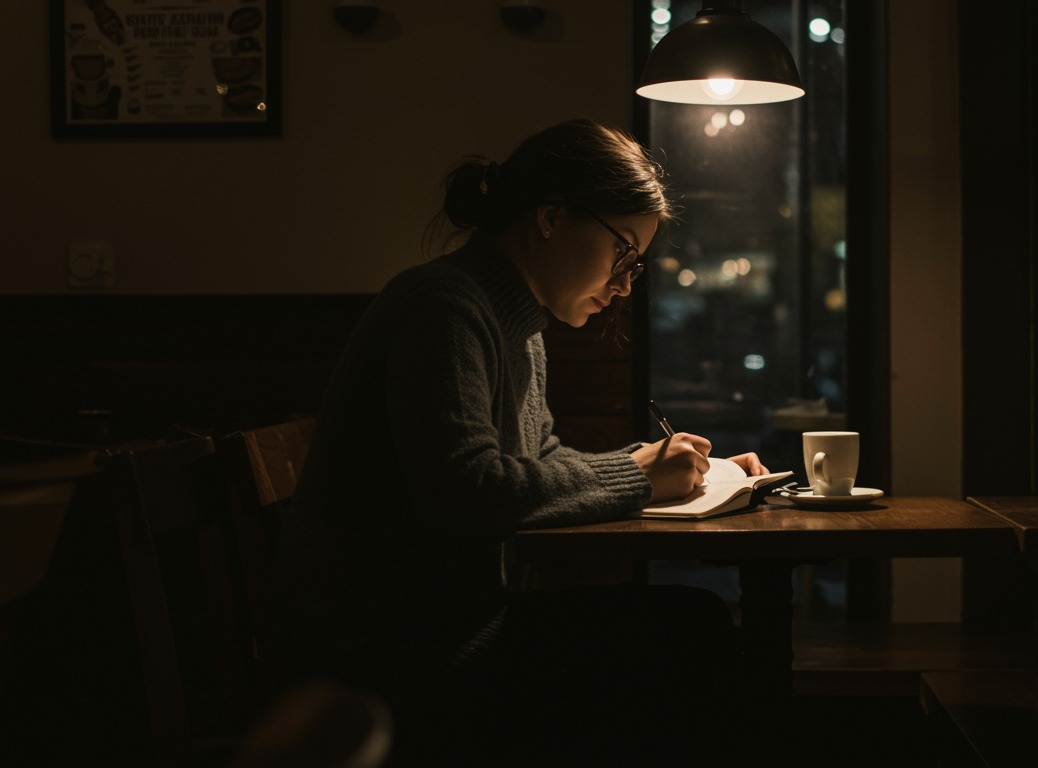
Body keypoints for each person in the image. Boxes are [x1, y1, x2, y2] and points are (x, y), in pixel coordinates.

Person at [278, 118, 768, 762]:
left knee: (685, 625)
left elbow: (536, 465)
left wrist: (651, 465)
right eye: (623, 252)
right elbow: (469, 491)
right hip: (395, 652)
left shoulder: (517, 326)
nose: (625, 283)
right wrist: (638, 476)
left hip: (444, 626)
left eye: (637, 265)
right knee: (687, 631)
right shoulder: (443, 307)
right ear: (551, 218)